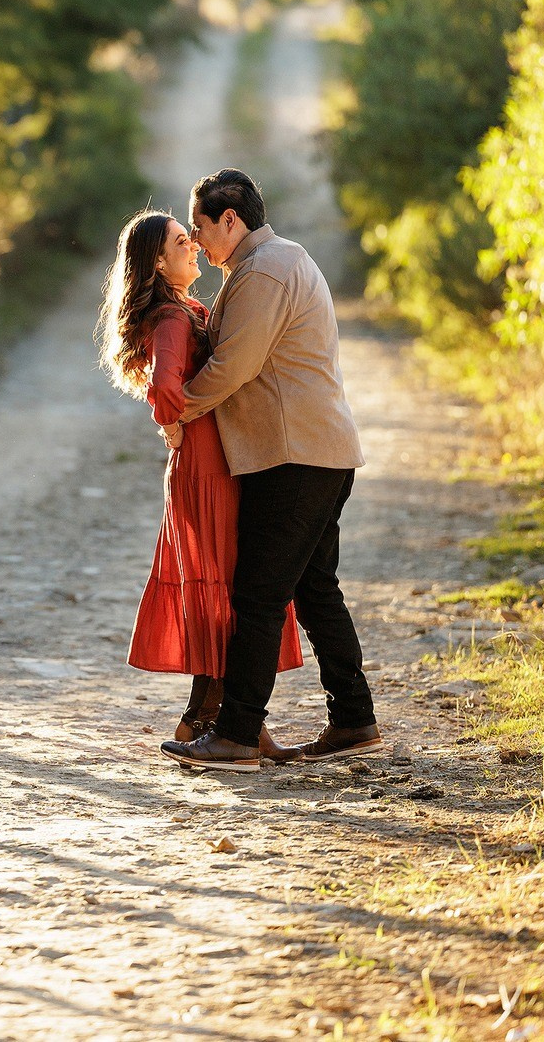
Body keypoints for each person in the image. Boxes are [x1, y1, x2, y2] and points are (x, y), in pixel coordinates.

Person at [158, 169, 384, 772]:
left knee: (257, 596)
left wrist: (179, 410)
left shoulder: (264, 270)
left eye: (202, 228)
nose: (201, 245)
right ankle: (354, 720)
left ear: (230, 218)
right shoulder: (274, 262)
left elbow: (234, 364)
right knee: (313, 589)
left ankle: (236, 733)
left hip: (294, 457)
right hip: (317, 452)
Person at [97, 209, 300, 756]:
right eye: (183, 241)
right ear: (159, 261)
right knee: (228, 590)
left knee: (227, 588)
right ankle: (231, 723)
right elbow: (165, 389)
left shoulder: (185, 309)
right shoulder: (171, 316)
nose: (194, 247)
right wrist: (175, 420)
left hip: (215, 460)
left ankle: (203, 718)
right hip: (208, 466)